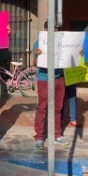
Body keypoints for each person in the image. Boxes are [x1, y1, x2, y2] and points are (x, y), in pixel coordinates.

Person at [33, 22, 68, 150]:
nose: (54, 31)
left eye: (56, 29)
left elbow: (68, 58)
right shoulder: (39, 43)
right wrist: (37, 55)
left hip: (59, 78)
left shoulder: (62, 42)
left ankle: (57, 134)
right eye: (51, 29)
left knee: (58, 107)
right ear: (45, 29)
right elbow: (35, 63)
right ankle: (39, 137)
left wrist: (78, 53)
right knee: (42, 107)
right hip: (44, 78)